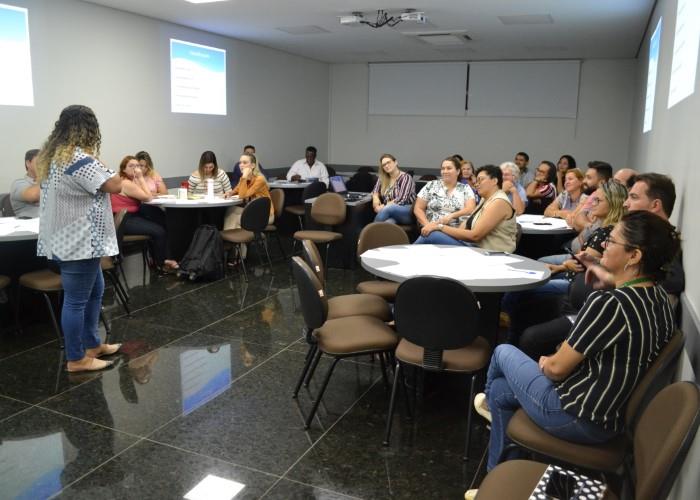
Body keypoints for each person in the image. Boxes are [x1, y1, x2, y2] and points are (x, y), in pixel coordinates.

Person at [471, 210, 679, 481]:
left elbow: (557, 369)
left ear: (634, 256)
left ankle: (487, 407)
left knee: (502, 352)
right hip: (611, 417)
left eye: (611, 241)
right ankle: (497, 475)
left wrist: (546, 363)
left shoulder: (610, 304)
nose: (603, 244)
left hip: (576, 416)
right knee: (501, 389)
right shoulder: (659, 298)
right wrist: (609, 279)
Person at [517, 173, 683, 360]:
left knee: (529, 337)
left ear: (655, 205)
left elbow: (671, 281)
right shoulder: (638, 232)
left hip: (594, 315)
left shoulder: (659, 244)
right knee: (525, 307)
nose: (626, 203)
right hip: (581, 302)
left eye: (634, 197)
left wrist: (609, 278)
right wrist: (601, 270)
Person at [36, 104, 122, 373]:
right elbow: (116, 185)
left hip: (69, 239)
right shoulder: (80, 160)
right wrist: (101, 162)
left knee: (95, 291)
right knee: (75, 301)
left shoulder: (53, 159)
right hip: (80, 241)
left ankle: (92, 345)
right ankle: (76, 358)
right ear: (89, 129)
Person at [416, 165, 517, 253]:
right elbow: (465, 226)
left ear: (494, 181)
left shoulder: (499, 202)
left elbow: (475, 236)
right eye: (476, 181)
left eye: (481, 180)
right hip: (475, 247)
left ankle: (408, 255)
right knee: (434, 235)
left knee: (432, 235)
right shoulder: (486, 199)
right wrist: (440, 228)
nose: (476, 184)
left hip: (489, 253)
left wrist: (440, 227)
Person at [110, 155, 178, 272]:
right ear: (123, 169)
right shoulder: (126, 183)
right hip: (123, 220)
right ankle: (161, 264)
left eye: (137, 166)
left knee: (160, 219)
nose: (135, 168)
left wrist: (139, 180)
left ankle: (164, 258)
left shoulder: (130, 181)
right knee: (159, 231)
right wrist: (141, 178)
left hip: (128, 216)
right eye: (131, 166)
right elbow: (148, 197)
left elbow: (146, 194)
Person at [413, 157, 476, 242]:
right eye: (443, 168)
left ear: (458, 171)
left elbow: (470, 209)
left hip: (454, 233)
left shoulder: (465, 188)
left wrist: (452, 215)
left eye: (449, 168)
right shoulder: (431, 185)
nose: (445, 171)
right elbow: (418, 208)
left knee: (432, 235)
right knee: (432, 234)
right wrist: (428, 225)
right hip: (430, 229)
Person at [223, 152, 274, 231]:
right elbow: (236, 190)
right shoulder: (244, 178)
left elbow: (242, 195)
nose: (241, 165)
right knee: (231, 210)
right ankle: (232, 237)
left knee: (236, 218)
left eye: (245, 163)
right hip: (253, 210)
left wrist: (244, 177)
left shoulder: (259, 179)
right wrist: (230, 193)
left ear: (253, 166)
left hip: (265, 215)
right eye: (240, 163)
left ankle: (235, 238)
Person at [371, 154, 416, 224]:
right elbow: (375, 191)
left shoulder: (405, 177)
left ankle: (371, 229)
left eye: (388, 162)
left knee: (389, 208)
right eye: (384, 165)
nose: (386, 166)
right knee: (388, 223)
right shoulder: (383, 178)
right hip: (389, 212)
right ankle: (374, 229)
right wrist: (375, 198)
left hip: (408, 211)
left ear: (395, 162)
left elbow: (402, 200)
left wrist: (383, 206)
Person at [568, 161, 613, 231]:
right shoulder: (591, 194)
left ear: (602, 182)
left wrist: (584, 224)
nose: (584, 181)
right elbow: (574, 219)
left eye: (589, 178)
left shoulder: (607, 198)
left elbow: (576, 223)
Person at [10, 149, 41, 218]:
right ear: (28, 163)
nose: (43, 165)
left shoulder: (50, 183)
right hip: (31, 222)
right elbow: (34, 194)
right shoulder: (18, 184)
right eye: (40, 162)